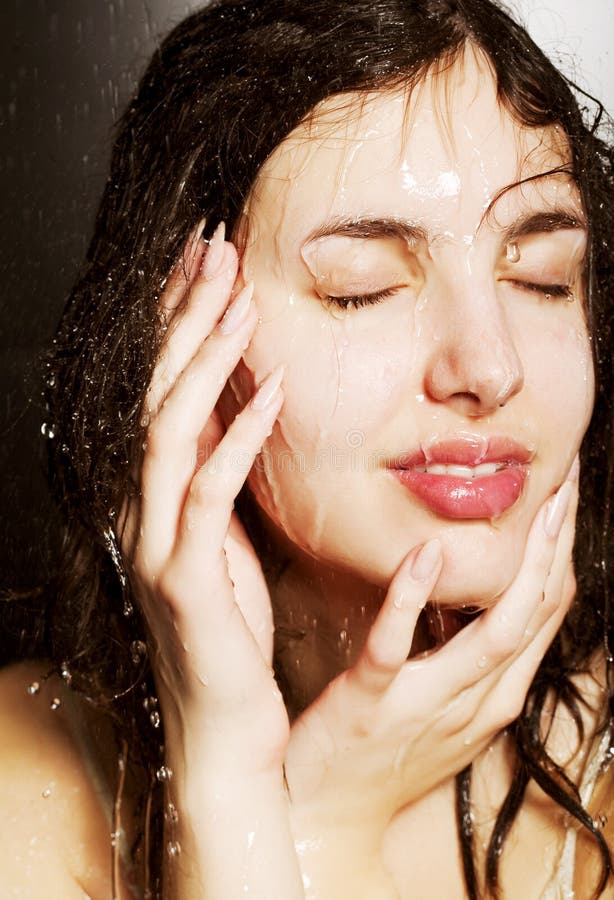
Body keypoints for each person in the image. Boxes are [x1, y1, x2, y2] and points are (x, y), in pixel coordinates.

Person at [0, 0, 612, 896]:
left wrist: (321, 836)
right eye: (361, 289)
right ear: (180, 344)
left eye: (542, 278)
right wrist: (244, 794)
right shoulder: (25, 792)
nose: (490, 366)